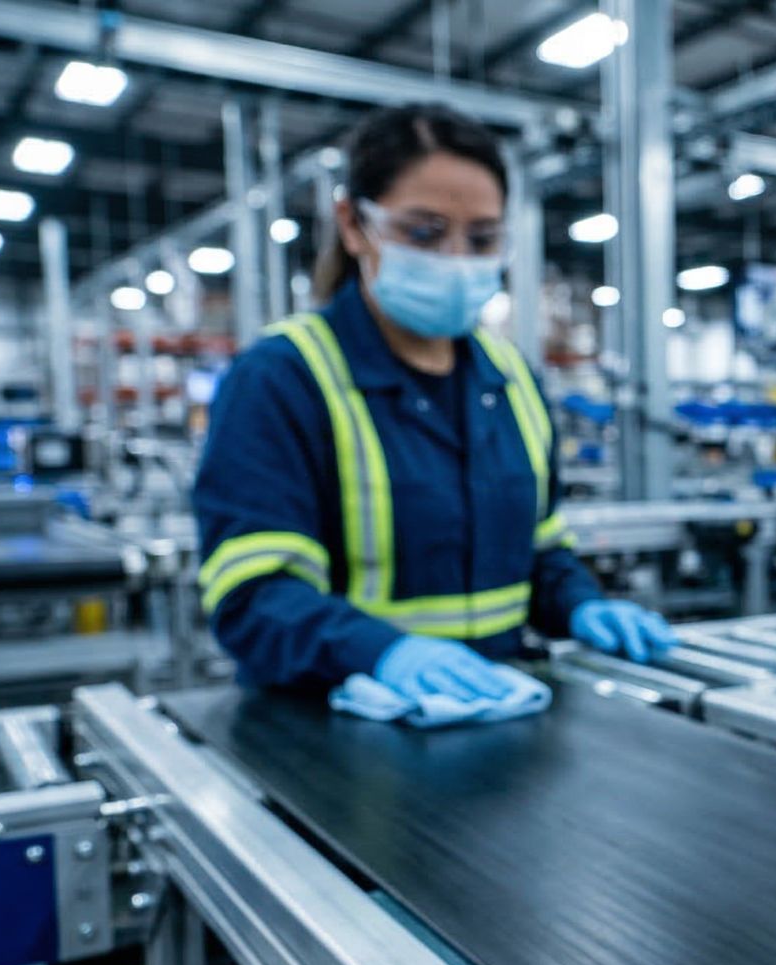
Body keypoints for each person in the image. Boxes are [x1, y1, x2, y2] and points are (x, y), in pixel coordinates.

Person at [193, 103, 674, 703]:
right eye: (423, 232)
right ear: (353, 224)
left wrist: (580, 605)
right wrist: (382, 652)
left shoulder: (513, 380)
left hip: (500, 714)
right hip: (334, 732)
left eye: (482, 238)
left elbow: (542, 552)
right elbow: (253, 590)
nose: (455, 258)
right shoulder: (283, 377)